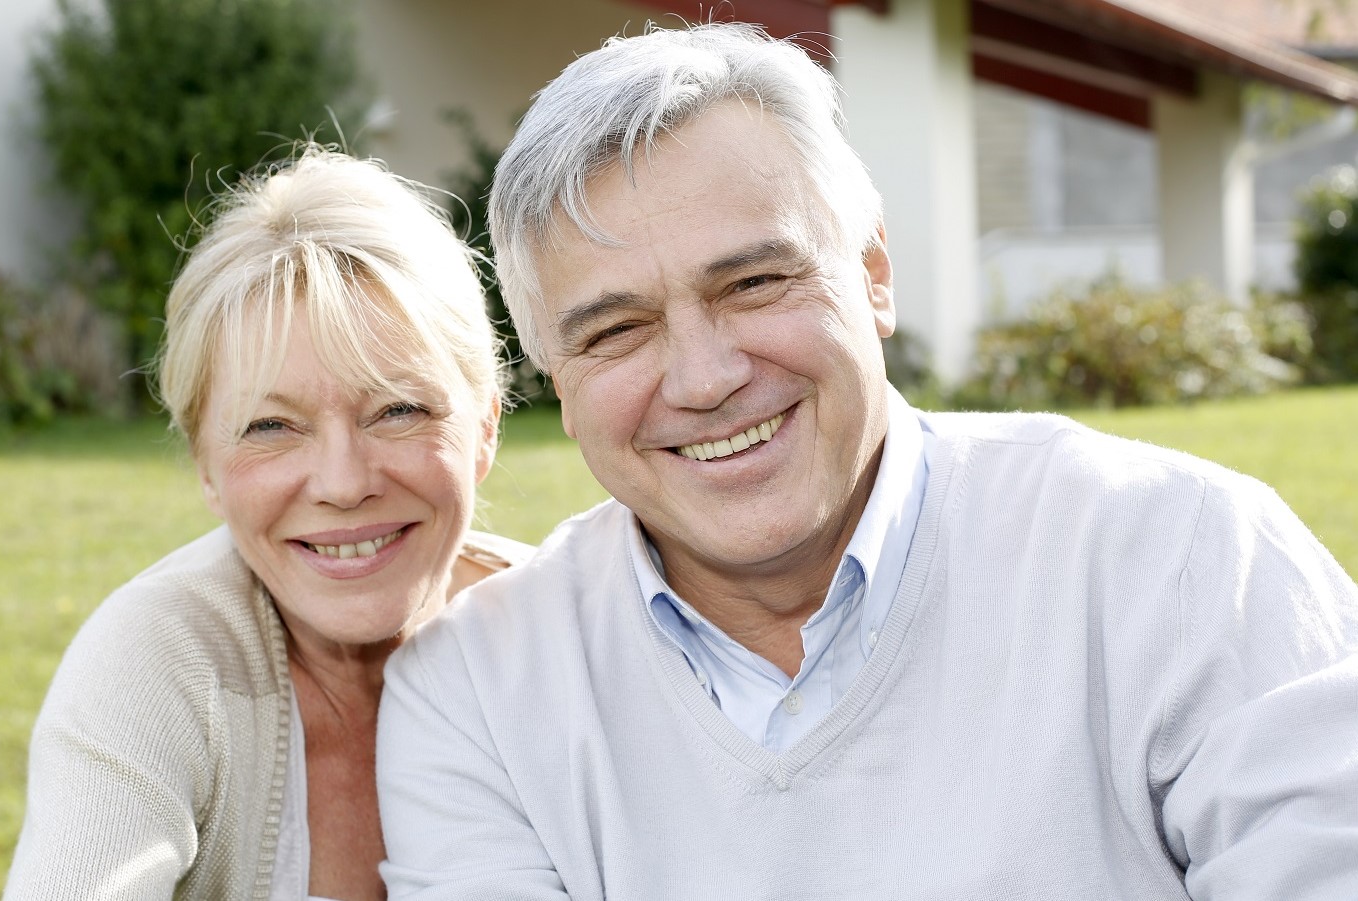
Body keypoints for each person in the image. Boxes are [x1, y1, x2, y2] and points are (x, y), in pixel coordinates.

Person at [376, 23, 1358, 900]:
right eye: (616, 331)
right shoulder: (478, 696)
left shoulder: (1183, 559)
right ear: (556, 375)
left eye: (755, 282)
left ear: (874, 273)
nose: (706, 377)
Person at [3, 148, 527, 901]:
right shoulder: (159, 662)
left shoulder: (572, 641)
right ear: (205, 465)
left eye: (398, 410)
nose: (344, 484)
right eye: (272, 425)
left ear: (484, 428)